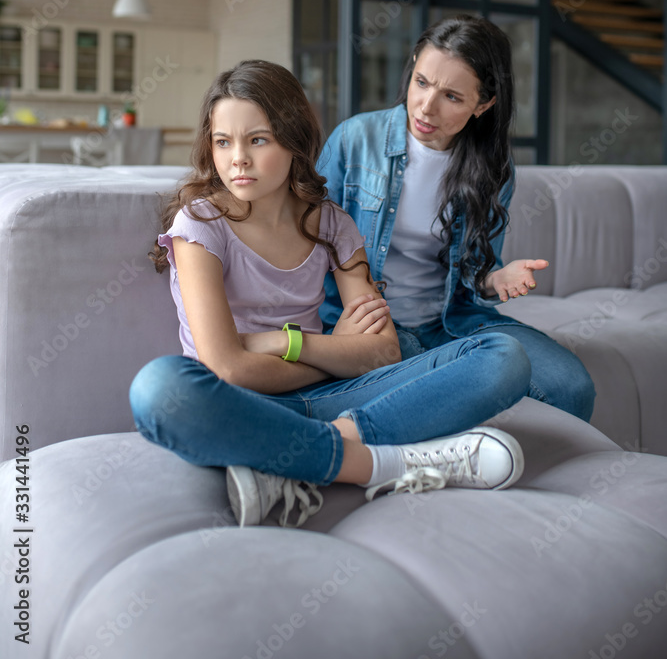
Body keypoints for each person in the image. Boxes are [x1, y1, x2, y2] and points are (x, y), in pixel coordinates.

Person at [129, 59, 531, 528]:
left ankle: (296, 452)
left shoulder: (334, 225)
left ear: (294, 139)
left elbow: (381, 353)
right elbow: (227, 369)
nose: (238, 158)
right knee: (157, 389)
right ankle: (379, 464)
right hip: (242, 405)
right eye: (223, 142)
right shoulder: (200, 224)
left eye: (257, 139)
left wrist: (287, 341)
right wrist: (338, 351)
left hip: (336, 396)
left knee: (504, 356)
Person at [318, 15, 595, 422]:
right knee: (444, 378)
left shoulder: (493, 169)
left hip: (452, 321)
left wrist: (494, 279)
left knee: (571, 388)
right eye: (422, 82)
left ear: (483, 104)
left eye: (452, 97)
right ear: (412, 66)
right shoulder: (353, 140)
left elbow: (475, 272)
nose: (426, 107)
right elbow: (308, 242)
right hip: (373, 323)